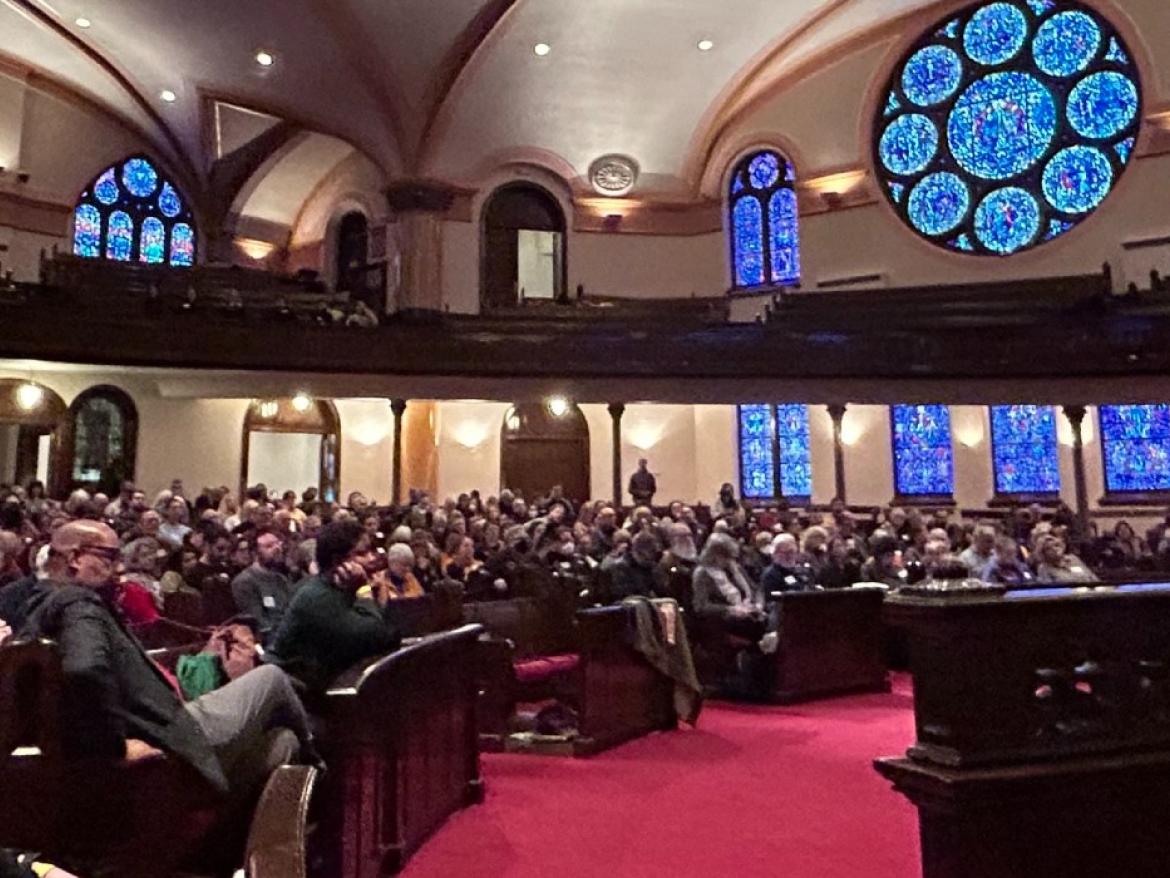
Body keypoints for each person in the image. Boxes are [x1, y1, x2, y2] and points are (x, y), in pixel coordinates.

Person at [18, 520, 317, 803]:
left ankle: (239, 823)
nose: (119, 567)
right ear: (75, 559)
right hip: (169, 733)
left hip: (159, 725)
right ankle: (322, 773)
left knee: (284, 741)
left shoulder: (39, 604)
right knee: (271, 676)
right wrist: (114, 747)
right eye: (109, 556)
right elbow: (85, 670)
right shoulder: (77, 604)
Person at [267, 519, 403, 692]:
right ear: (338, 561)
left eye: (371, 550)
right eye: (361, 553)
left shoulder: (342, 588)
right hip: (294, 694)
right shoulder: (316, 596)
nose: (372, 558)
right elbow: (377, 637)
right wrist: (364, 591)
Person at [231, 529, 299, 646]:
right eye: (269, 546)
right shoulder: (244, 582)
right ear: (254, 553)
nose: (277, 549)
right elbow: (259, 625)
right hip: (268, 644)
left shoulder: (282, 579)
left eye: (278, 544)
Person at [610, 530, 661, 600]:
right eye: (646, 558)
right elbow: (627, 597)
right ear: (636, 552)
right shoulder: (621, 568)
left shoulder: (651, 565)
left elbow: (660, 589)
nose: (650, 561)